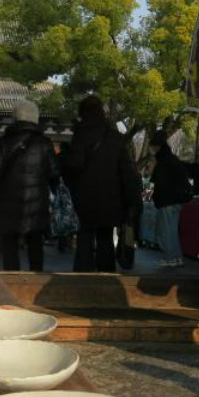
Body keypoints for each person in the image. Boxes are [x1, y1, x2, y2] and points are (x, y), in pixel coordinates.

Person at [64, 95, 142, 272]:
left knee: (84, 239)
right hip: (111, 200)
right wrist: (132, 201)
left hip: (84, 199)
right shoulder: (115, 137)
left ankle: (82, 282)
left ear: (82, 112)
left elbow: (74, 166)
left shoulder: (80, 135)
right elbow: (127, 173)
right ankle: (107, 280)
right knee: (106, 240)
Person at [0, 100, 58, 270]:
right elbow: (54, 174)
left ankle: (12, 277)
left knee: (10, 243)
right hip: (37, 202)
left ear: (15, 118)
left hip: (9, 201)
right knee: (35, 241)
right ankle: (37, 276)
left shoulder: (6, 142)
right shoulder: (45, 143)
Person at [149, 131, 193, 268]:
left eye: (152, 146)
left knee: (166, 230)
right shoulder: (172, 159)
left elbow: (161, 183)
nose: (151, 149)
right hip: (177, 200)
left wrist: (156, 199)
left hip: (167, 200)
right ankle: (176, 257)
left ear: (157, 146)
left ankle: (170, 257)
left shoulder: (163, 161)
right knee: (172, 230)